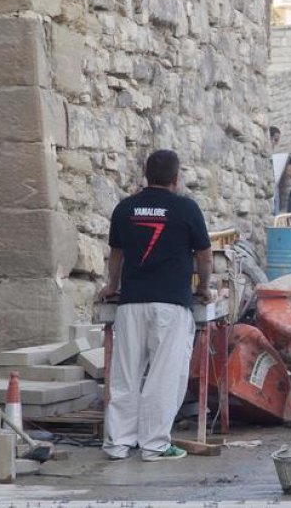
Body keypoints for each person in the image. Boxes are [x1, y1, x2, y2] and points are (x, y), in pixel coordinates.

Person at [96, 149, 212, 462]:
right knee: (165, 376)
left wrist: (112, 286)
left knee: (124, 375)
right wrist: (204, 288)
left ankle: (117, 443)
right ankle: (154, 445)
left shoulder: (125, 208)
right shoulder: (186, 208)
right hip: (171, 305)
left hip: (131, 304)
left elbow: (116, 254)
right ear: (176, 177)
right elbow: (204, 256)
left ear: (146, 175)